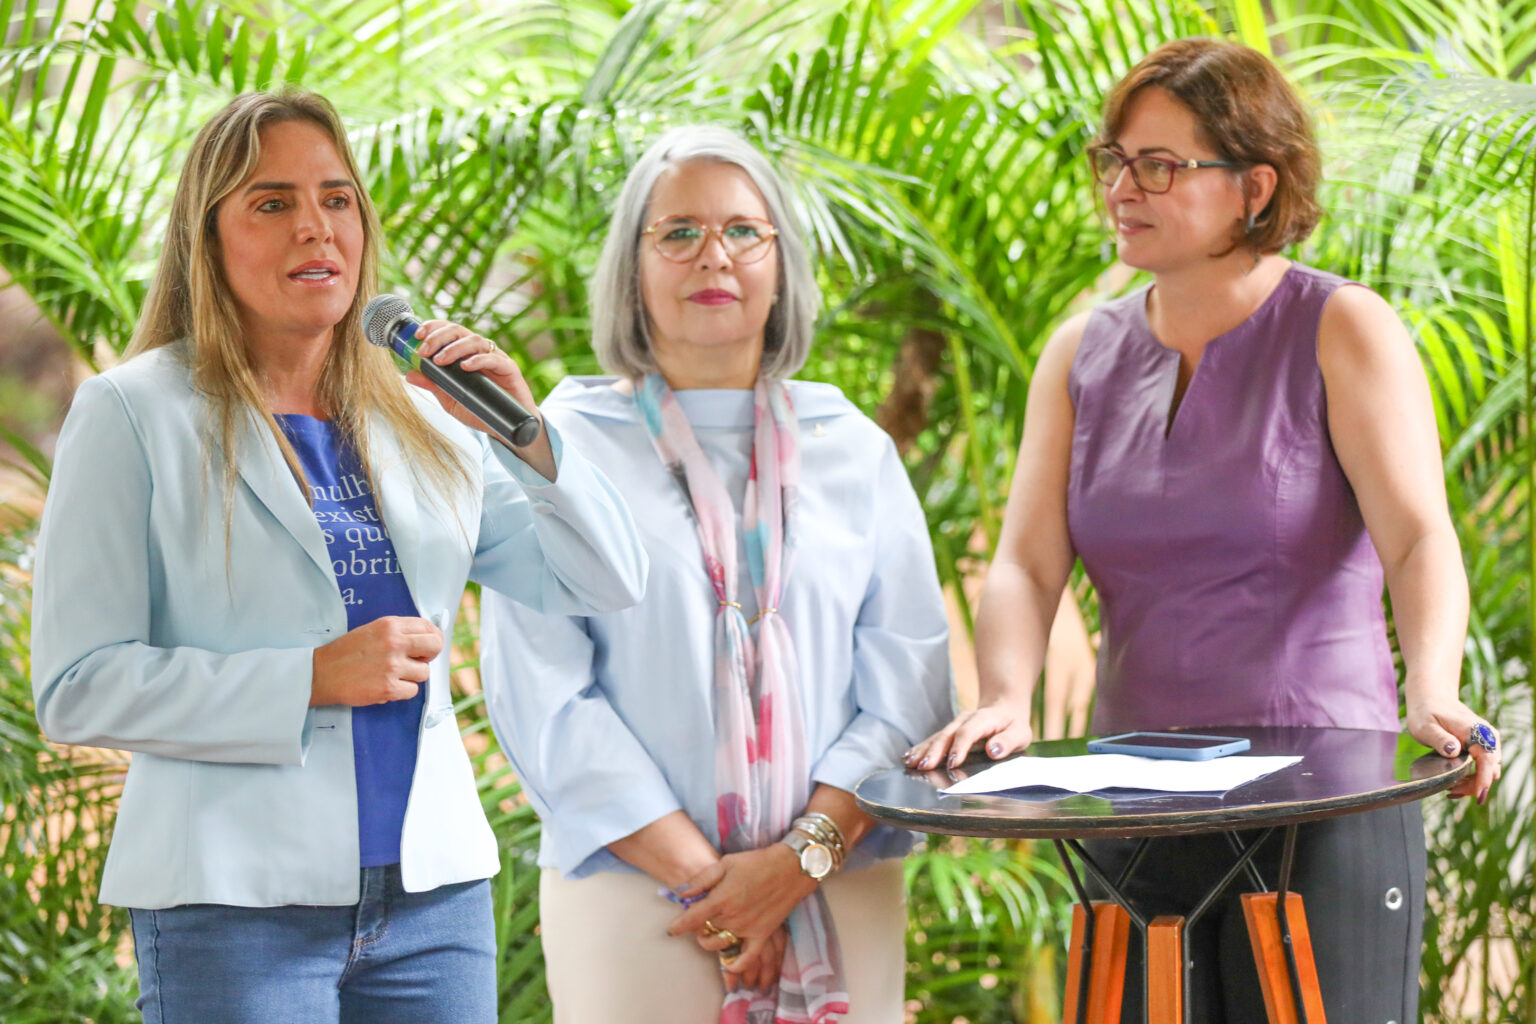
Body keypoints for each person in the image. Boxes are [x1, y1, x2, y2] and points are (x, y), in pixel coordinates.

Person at [904, 38, 1503, 1023]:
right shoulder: (1080, 352)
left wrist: (1433, 688)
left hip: (1328, 793)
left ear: (1254, 187)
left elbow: (1418, 540)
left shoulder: (1342, 327)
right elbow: (1025, 558)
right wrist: (1007, 694)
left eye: (1161, 165)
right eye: (1114, 161)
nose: (1124, 187)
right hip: (1136, 804)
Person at [29, 89, 648, 1024]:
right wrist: (307, 678)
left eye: (337, 199)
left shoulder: (425, 418)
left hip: (433, 901)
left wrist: (531, 434)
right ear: (209, 239)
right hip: (232, 904)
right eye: (272, 203)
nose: (315, 229)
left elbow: (601, 579)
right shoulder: (133, 414)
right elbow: (77, 685)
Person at [478, 125, 953, 1023]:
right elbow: (545, 694)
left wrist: (794, 864)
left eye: (744, 230)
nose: (714, 256)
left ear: (782, 265)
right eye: (678, 232)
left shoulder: (854, 449)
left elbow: (910, 683)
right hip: (638, 898)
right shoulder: (560, 442)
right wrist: (720, 891)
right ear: (632, 267)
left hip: (836, 881)